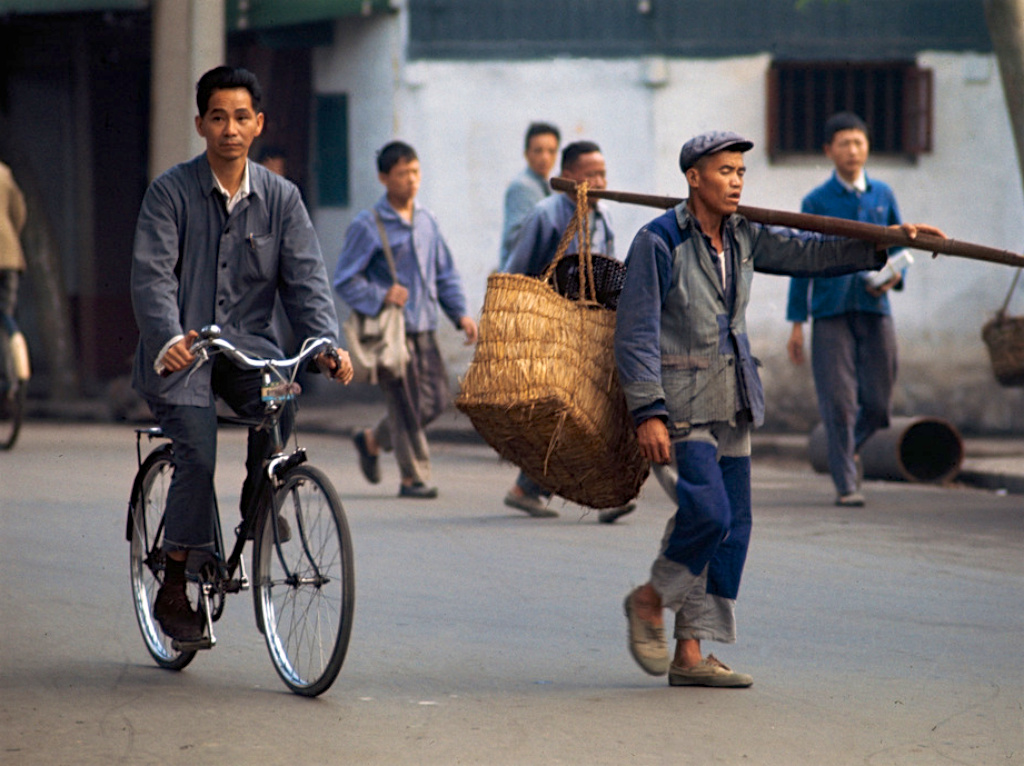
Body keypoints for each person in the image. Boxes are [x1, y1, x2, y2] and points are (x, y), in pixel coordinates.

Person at [614, 130, 943, 688]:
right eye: (724, 172)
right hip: (681, 406)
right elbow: (635, 331)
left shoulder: (746, 236)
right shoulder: (659, 240)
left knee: (733, 526)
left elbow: (811, 254)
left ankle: (691, 655)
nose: (737, 181)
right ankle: (650, 599)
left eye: (741, 172)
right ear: (694, 178)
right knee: (708, 514)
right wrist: (647, 410)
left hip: (734, 396)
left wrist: (883, 243)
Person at [130, 66, 354, 642]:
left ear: (259, 124)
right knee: (197, 454)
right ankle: (176, 580)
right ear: (201, 123)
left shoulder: (283, 198)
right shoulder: (170, 193)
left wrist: (326, 343)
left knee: (281, 394)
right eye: (218, 117)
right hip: (181, 356)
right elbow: (152, 278)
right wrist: (168, 338)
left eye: (241, 117)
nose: (230, 129)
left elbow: (307, 281)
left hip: (247, 349)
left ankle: (262, 497)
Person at [336, 141, 478, 499]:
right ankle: (414, 477)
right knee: (405, 404)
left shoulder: (427, 221)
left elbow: (445, 274)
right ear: (384, 178)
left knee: (434, 402)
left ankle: (371, 440)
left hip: (425, 327)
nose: (411, 180)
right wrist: (381, 293)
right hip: (390, 333)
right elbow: (345, 279)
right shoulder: (368, 226)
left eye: (415, 172)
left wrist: (460, 314)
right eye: (402, 174)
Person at [501, 140, 632, 523]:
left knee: (585, 414)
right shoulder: (546, 214)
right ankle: (604, 495)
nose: (600, 180)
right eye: (591, 174)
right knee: (576, 415)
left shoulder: (604, 216)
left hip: (590, 334)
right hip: (551, 333)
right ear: (570, 175)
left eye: (603, 173)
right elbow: (516, 272)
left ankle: (527, 487)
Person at [786, 112, 907, 507]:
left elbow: (900, 248)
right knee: (838, 402)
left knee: (879, 403)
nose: (852, 150)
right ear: (828, 151)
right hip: (829, 312)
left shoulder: (882, 195)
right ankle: (846, 482)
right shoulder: (816, 201)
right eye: (843, 143)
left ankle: (846, 450)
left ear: (867, 147)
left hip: (875, 308)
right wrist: (796, 324)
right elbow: (799, 261)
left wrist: (894, 276)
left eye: (858, 142)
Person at [498, 122, 560, 271]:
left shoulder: (548, 186)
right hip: (521, 282)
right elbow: (516, 240)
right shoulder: (522, 187)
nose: (545, 157)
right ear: (526, 153)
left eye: (551, 151)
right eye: (538, 151)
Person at [0, 160, 27, 320]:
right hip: (8, 258)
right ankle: (14, 340)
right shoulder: (3, 172)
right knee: (5, 313)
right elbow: (19, 211)